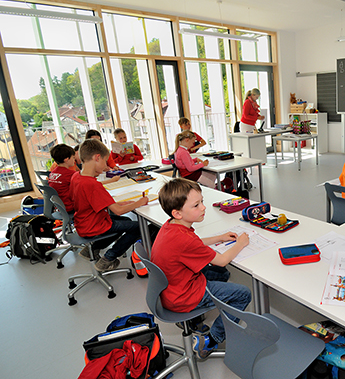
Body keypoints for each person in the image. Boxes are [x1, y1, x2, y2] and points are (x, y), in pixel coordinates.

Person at [151, 178, 251, 359]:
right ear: (178, 213)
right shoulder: (184, 238)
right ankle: (212, 338)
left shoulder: (171, 226)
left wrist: (219, 238)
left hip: (170, 290)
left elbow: (193, 245)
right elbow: (221, 260)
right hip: (183, 296)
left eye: (202, 202)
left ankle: (194, 319)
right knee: (243, 293)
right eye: (197, 205)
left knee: (222, 274)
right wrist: (241, 243)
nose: (204, 207)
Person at [69, 139, 148, 271]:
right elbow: (118, 211)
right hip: (95, 225)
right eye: (105, 161)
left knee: (126, 222)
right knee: (139, 227)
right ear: (97, 157)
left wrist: (117, 203)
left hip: (83, 222)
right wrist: (139, 203)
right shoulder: (93, 184)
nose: (106, 165)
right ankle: (108, 258)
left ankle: (91, 250)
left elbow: (90, 202)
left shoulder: (76, 176)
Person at [48, 144, 77, 212]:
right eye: (73, 157)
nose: (74, 159)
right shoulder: (71, 174)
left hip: (59, 207)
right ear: (66, 160)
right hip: (70, 207)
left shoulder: (52, 173)